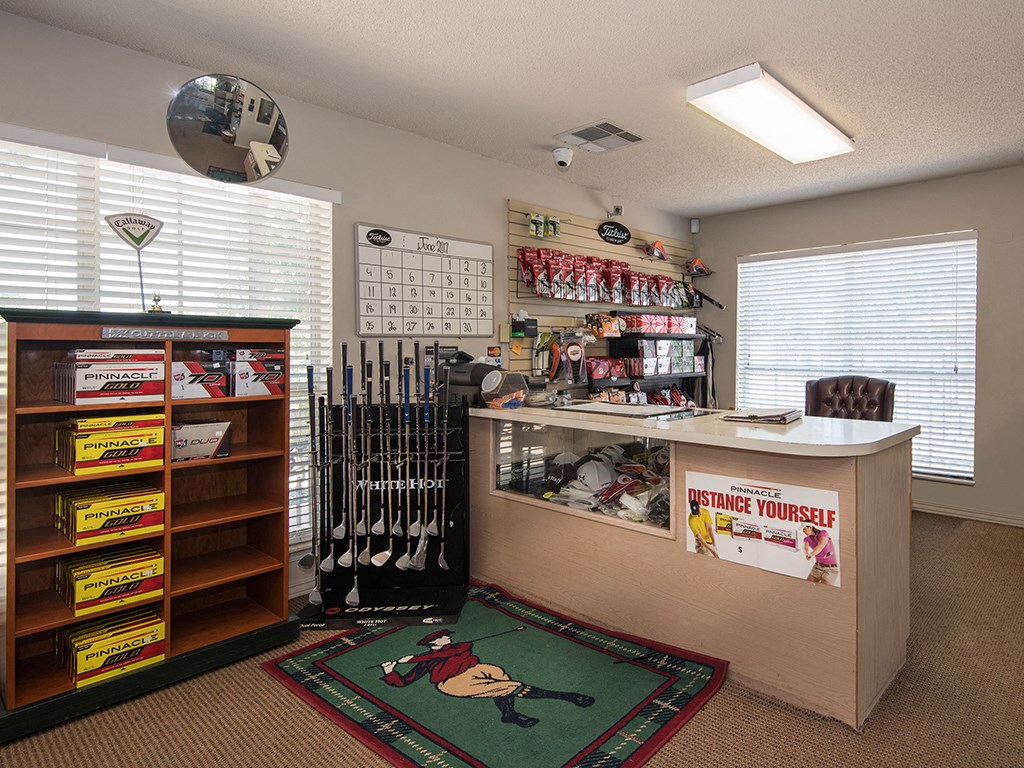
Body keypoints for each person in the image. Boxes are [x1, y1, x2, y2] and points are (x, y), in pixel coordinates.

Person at [379, 629, 594, 728]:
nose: (448, 636)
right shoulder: (426, 661)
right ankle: (567, 696)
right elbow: (404, 682)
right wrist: (390, 671)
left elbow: (450, 653)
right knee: (510, 686)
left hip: (478, 669)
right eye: (443, 636)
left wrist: (414, 658)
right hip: (452, 682)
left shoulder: (457, 647)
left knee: (501, 680)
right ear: (433, 641)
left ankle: (509, 714)